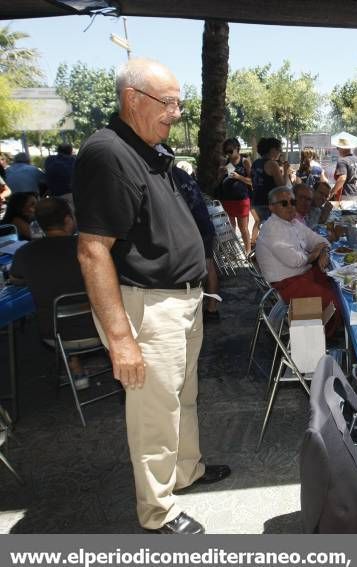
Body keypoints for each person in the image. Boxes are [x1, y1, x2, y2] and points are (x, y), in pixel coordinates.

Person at [73, 58, 230, 535]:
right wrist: (120, 338)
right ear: (132, 99)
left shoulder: (145, 148)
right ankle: (157, 511)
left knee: (182, 398)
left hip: (180, 300)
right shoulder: (108, 153)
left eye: (180, 103)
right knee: (154, 414)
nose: (176, 113)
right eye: (169, 103)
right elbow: (92, 251)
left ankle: (186, 472)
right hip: (147, 305)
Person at [8, 198, 96, 388]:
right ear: (68, 220)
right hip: (101, 326)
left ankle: (76, 369)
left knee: (57, 305)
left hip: (55, 334)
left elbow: (15, 279)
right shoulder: (89, 246)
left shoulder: (25, 253)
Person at [255, 187, 342, 335]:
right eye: (284, 203)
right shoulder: (272, 228)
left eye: (292, 202)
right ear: (271, 207)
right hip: (287, 283)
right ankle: (324, 340)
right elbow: (295, 260)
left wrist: (323, 252)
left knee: (339, 284)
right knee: (333, 302)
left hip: (303, 274)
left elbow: (318, 240)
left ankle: (333, 332)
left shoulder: (293, 222)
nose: (290, 206)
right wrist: (315, 254)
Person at [173, 163, 222, 321]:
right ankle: (212, 308)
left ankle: (203, 309)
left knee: (204, 268)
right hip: (203, 225)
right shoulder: (182, 174)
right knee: (209, 266)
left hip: (195, 228)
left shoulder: (169, 177)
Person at [250, 137, 292, 246]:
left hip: (255, 202)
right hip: (268, 204)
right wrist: (286, 170)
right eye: (279, 149)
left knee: (263, 229)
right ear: (272, 149)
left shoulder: (256, 163)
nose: (280, 152)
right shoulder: (272, 164)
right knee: (272, 235)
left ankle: (257, 248)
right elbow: (282, 186)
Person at [218, 138, 253, 255]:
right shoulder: (225, 162)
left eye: (230, 151)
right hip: (227, 199)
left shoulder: (245, 162)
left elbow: (252, 181)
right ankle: (232, 251)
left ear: (237, 149)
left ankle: (247, 251)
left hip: (241, 200)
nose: (228, 154)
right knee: (230, 228)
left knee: (243, 228)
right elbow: (219, 181)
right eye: (226, 151)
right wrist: (221, 173)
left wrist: (239, 177)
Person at [44, 143, 77, 208]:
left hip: (53, 194)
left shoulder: (49, 159)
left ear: (58, 151)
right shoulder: (74, 161)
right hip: (70, 194)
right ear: (70, 151)